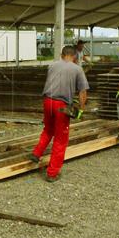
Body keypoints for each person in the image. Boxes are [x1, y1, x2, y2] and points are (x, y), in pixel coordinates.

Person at [30, 45, 89, 182]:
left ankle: (36, 153)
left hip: (47, 101)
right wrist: (81, 109)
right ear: (74, 56)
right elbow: (83, 92)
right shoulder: (77, 69)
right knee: (61, 138)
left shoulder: (52, 66)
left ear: (62, 54)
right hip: (61, 105)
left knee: (48, 129)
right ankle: (52, 173)